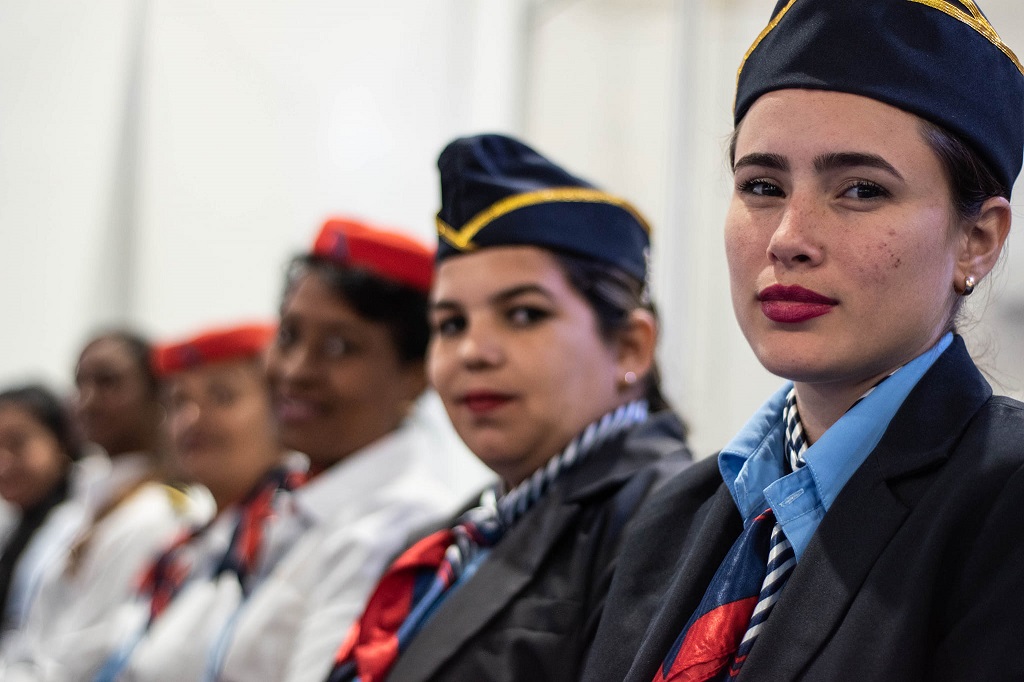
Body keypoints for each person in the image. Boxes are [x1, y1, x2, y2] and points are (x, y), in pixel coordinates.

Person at [582, 1, 1024, 680]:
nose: (788, 238)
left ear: (977, 240)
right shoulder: (676, 518)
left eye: (860, 190)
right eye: (761, 185)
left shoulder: (1001, 504)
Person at [326, 133, 693, 682]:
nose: (473, 352)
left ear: (629, 346)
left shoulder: (668, 522)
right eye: (451, 324)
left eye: (523, 315)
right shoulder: (455, 532)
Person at [185, 218, 455, 682]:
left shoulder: (396, 524)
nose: (296, 370)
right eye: (287, 336)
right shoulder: (293, 501)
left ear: (417, 372)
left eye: (338, 347)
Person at [93, 322, 304, 681]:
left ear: (281, 408)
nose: (191, 419)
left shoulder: (291, 532)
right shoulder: (184, 547)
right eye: (178, 402)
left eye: (222, 397)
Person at [0, 332, 204, 680]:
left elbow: (92, 653)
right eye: (81, 383)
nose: (89, 400)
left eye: (109, 382)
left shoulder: (163, 510)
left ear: (158, 395)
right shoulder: (82, 504)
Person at [0, 385, 81, 642]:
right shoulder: (13, 526)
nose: (3, 462)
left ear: (62, 441)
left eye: (17, 443)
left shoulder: (86, 522)